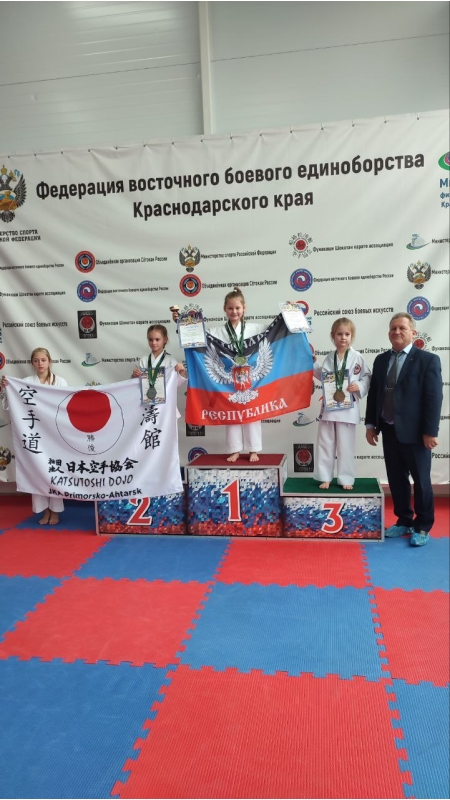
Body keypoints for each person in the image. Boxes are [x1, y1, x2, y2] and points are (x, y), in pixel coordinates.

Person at [365, 312, 442, 546]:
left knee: (421, 481)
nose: (396, 332)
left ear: (413, 332)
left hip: (417, 434)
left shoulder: (428, 360)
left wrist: (430, 431)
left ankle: (423, 526)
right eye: (393, 328)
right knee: (397, 479)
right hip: (388, 430)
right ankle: (404, 520)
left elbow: (433, 398)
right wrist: (371, 425)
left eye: (402, 328)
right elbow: (374, 395)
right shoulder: (381, 360)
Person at [173, 287, 268, 462]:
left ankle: (253, 450)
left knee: (252, 414)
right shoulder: (216, 332)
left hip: (250, 380)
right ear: (225, 309)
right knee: (231, 414)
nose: (234, 311)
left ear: (244, 308)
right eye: (230, 308)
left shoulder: (255, 328)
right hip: (228, 381)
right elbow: (197, 337)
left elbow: (274, 331)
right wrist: (181, 324)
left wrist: (290, 315)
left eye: (237, 308)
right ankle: (235, 449)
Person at [1, 347, 68, 525]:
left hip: (54, 435)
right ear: (32, 363)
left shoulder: (60, 382)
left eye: (43, 360)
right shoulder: (26, 382)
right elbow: (10, 406)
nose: (40, 363)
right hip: (33, 434)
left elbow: (65, 405)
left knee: (54, 472)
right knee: (37, 472)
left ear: (50, 362)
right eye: (36, 360)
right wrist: (7, 388)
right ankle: (45, 511)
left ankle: (55, 511)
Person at [313, 317, 371, 490]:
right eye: (339, 334)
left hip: (348, 408)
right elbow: (323, 376)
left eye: (347, 334)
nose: (343, 337)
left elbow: (367, 376)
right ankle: (325, 477)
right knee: (325, 443)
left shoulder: (357, 357)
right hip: (330, 407)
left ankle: (345, 478)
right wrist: (313, 364)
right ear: (333, 336)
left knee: (346, 446)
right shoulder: (329, 358)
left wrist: (358, 385)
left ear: (352, 336)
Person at [132, 324, 187, 411]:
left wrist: (181, 372)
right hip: (146, 403)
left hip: (166, 404)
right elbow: (137, 384)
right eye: (150, 339)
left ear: (165, 340)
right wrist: (134, 376)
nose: (153, 343)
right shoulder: (143, 360)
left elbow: (176, 383)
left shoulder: (170, 360)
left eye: (157, 339)